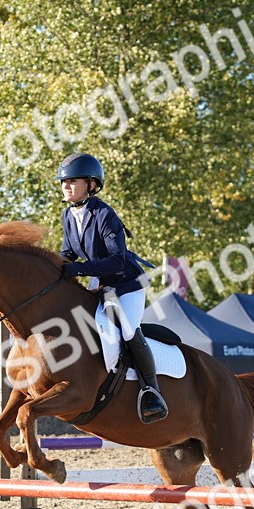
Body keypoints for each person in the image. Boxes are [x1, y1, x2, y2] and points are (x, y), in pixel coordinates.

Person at [56, 152, 168, 423]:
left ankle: (152, 391)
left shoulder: (105, 214)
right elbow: (69, 252)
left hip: (127, 285)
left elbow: (117, 261)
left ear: (91, 184)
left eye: (73, 181)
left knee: (128, 330)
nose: (66, 186)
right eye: (63, 182)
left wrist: (78, 269)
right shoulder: (68, 215)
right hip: (102, 287)